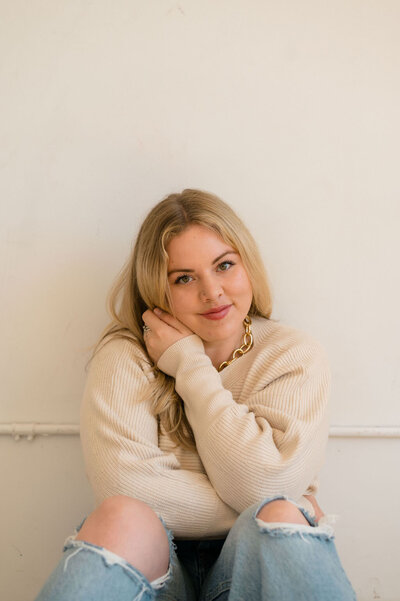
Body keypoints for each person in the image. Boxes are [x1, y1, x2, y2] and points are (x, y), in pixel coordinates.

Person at [35, 189, 356, 600]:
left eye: (224, 265)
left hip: (257, 566)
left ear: (248, 266)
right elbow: (125, 489)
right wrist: (284, 498)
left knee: (277, 516)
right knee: (122, 516)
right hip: (157, 570)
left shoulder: (292, 355)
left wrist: (189, 366)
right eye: (184, 278)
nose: (212, 292)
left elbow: (263, 493)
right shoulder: (126, 356)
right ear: (158, 289)